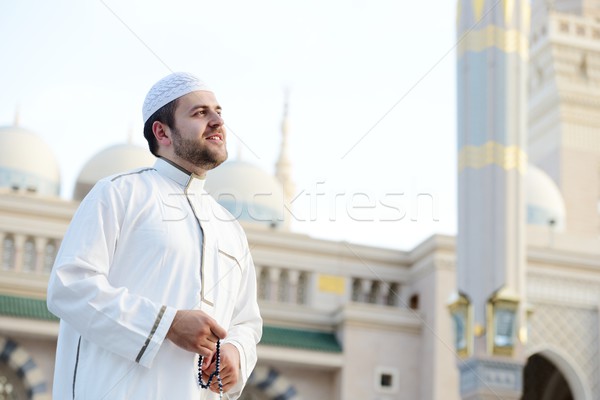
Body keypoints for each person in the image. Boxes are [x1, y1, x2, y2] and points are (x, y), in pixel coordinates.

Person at [47, 72, 262, 399]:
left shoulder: (230, 229)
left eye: (218, 111)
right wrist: (167, 324)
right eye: (200, 112)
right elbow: (69, 286)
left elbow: (246, 322)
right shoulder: (119, 194)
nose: (218, 121)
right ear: (162, 132)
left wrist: (235, 352)